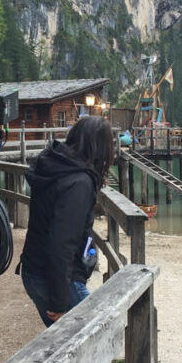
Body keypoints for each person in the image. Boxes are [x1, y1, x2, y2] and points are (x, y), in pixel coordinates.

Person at [19, 116, 114, 327]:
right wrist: (59, 302)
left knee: (68, 345)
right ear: (100, 149)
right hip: (54, 279)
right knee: (94, 340)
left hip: (35, 270)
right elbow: (61, 244)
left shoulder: (56, 167)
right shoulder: (79, 183)